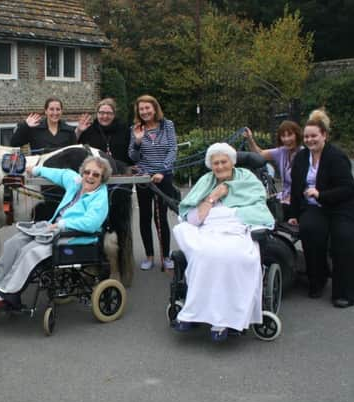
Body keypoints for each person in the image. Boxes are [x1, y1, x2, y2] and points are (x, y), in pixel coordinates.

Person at [0, 156, 111, 313]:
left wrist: (63, 225)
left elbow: (91, 223)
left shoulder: (99, 197)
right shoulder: (77, 182)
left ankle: (6, 294)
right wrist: (37, 170)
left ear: (102, 178)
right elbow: (62, 174)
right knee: (14, 243)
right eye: (87, 172)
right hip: (53, 229)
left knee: (30, 251)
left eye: (96, 175)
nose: (90, 176)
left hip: (74, 237)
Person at [172, 143, 275, 341]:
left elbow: (258, 203)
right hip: (210, 229)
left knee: (230, 257)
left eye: (223, 162)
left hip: (237, 227)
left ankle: (226, 320)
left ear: (232, 162)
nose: (219, 167)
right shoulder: (206, 180)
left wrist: (228, 197)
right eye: (215, 163)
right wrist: (211, 199)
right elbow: (191, 214)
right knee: (202, 255)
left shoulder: (246, 177)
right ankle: (193, 312)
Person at [287, 109, 354, 307]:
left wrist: (321, 194)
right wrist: (294, 214)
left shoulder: (336, 157)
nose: (310, 139)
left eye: (314, 136)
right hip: (317, 207)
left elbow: (347, 189)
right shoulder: (301, 157)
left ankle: (344, 293)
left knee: (343, 238)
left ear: (324, 135)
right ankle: (317, 280)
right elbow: (297, 188)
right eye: (306, 136)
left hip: (345, 206)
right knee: (309, 230)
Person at [128, 95, 177, 270]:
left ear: (155, 108)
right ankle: (149, 256)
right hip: (144, 178)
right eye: (141, 109)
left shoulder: (167, 125)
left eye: (147, 108)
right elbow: (133, 157)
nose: (145, 112)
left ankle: (166, 255)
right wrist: (138, 141)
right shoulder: (135, 129)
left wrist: (162, 171)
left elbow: (172, 149)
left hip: (164, 176)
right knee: (145, 216)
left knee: (161, 216)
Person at [243, 121, 303, 220]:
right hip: (284, 195)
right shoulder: (281, 151)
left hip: (299, 198)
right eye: (283, 136)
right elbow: (260, 153)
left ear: (297, 135)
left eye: (290, 135)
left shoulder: (304, 153)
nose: (286, 139)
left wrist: (291, 197)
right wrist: (250, 138)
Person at [75, 98, 133, 165]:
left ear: (114, 114)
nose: (105, 116)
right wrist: (79, 131)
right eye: (102, 113)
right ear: (97, 114)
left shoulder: (124, 130)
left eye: (109, 113)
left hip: (120, 171)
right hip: (95, 171)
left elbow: (132, 152)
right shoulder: (88, 130)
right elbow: (76, 149)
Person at [10, 96, 76, 154]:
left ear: (61, 111)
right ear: (46, 111)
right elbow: (14, 144)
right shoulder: (34, 128)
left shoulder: (69, 130)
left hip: (62, 167)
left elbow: (74, 153)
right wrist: (25, 125)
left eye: (58, 109)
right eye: (51, 109)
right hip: (40, 167)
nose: (55, 113)